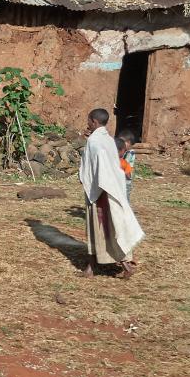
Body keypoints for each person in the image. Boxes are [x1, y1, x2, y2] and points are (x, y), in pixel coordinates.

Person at [79, 109, 145, 279]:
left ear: (94, 121)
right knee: (107, 227)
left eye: (88, 120)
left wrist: (95, 184)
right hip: (110, 188)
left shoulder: (95, 141)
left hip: (100, 191)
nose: (87, 123)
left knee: (103, 229)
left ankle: (123, 265)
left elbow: (98, 166)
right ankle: (91, 268)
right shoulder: (108, 140)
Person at [117, 129, 137, 201]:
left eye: (122, 142)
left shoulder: (130, 153)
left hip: (127, 179)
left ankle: (126, 211)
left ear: (128, 142)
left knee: (125, 198)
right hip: (123, 177)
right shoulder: (125, 152)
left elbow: (124, 163)